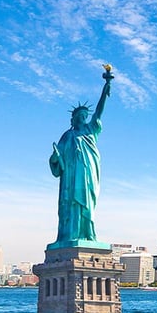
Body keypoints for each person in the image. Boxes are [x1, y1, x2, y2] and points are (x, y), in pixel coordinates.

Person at [49, 65, 113, 245]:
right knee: (70, 205)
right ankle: (70, 235)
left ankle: (88, 234)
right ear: (74, 119)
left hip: (88, 174)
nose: (83, 118)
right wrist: (55, 157)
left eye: (85, 115)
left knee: (87, 203)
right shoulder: (67, 136)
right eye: (80, 116)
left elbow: (100, 110)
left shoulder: (91, 130)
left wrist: (106, 86)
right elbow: (55, 160)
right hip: (70, 176)